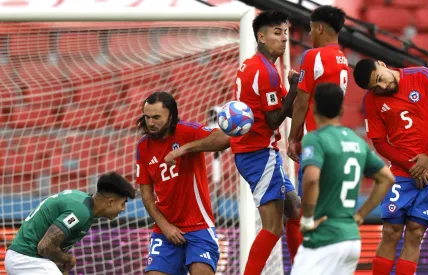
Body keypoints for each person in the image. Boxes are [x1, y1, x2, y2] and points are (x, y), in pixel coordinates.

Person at [167, 10, 302, 275]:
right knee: (273, 225)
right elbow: (274, 119)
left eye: (285, 33)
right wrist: (296, 88)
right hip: (259, 154)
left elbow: (281, 107)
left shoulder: (254, 65)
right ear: (261, 37)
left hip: (257, 151)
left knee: (294, 208)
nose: (284, 39)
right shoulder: (266, 72)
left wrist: (292, 91)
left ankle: (302, 267)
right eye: (277, 33)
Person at [353, 59, 428, 275]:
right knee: (391, 231)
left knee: (415, 232)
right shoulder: (371, 101)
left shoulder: (422, 75)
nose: (381, 87)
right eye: (375, 87)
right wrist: (413, 167)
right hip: (402, 171)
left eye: (380, 79)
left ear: (382, 64)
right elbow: (379, 142)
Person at [290, 83, 395, 275]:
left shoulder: (316, 138)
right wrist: (361, 215)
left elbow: (312, 179)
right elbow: (387, 178)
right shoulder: (357, 142)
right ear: (341, 109)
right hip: (351, 239)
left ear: (313, 108)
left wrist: (306, 219)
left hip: (324, 236)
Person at [136, 91, 228, 275]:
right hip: (165, 229)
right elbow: (146, 196)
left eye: (156, 117)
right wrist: (165, 227)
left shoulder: (187, 131)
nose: (150, 123)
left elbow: (225, 139)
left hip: (199, 226)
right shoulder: (143, 147)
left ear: (171, 117)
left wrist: (184, 149)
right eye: (147, 117)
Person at [5, 172, 136, 275]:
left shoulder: (83, 202)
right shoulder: (80, 212)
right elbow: (45, 247)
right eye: (123, 203)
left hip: (25, 259)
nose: (123, 208)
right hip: (27, 259)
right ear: (111, 202)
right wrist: (68, 259)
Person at [286, 5, 348, 196]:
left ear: (319, 28)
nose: (310, 35)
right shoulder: (342, 58)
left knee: (309, 210)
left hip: (315, 142)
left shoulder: (314, 56)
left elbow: (302, 102)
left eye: (311, 29)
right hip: (335, 140)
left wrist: (292, 138)